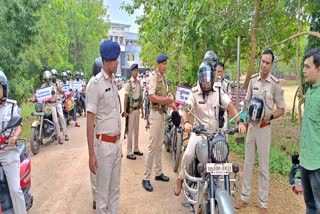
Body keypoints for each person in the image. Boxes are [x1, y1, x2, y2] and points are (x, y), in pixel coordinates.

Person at [173, 60, 246, 196]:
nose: (207, 84)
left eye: (209, 80)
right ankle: (180, 178)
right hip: (199, 132)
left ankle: (222, 189)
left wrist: (240, 121)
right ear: (200, 79)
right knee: (188, 154)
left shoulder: (218, 90)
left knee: (223, 159)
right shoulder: (194, 92)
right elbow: (185, 109)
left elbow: (230, 106)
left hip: (215, 134)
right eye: (204, 81)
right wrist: (187, 122)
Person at [235, 49, 285, 214]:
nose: (264, 65)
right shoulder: (253, 81)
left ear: (271, 65)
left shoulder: (275, 84)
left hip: (264, 130)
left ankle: (263, 203)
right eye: (262, 62)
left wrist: (269, 116)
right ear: (260, 62)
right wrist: (242, 118)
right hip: (252, 129)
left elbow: (281, 109)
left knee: (263, 167)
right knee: (248, 163)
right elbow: (247, 102)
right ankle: (244, 196)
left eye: (267, 63)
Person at [87, 40, 122, 214]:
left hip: (116, 144)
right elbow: (89, 121)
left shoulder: (113, 83)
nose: (117, 63)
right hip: (104, 146)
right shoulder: (95, 85)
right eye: (115, 60)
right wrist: (91, 154)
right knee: (102, 196)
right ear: (106, 61)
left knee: (115, 190)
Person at [142, 54, 175, 192]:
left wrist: (171, 103)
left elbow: (165, 95)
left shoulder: (164, 78)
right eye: (163, 64)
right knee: (152, 146)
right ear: (158, 64)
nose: (165, 66)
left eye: (166, 63)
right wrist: (165, 100)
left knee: (159, 146)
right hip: (155, 114)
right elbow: (151, 97)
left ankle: (158, 172)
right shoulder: (154, 76)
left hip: (162, 114)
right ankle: (145, 178)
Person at [0, 70, 27, 214]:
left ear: (4, 89)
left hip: (7, 151)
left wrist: (14, 137)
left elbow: (18, 125)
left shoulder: (11, 106)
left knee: (15, 189)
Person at [299, 47, 320, 213]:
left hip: (318, 165)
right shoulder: (310, 91)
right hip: (305, 161)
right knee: (310, 206)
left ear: (318, 68)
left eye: (307, 67)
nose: (303, 70)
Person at [87, 56, 103, 210]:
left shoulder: (97, 83)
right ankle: (95, 197)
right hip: (95, 127)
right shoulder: (93, 84)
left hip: (100, 128)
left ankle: (99, 196)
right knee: (94, 165)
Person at [123, 63, 144, 160]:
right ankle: (129, 151)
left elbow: (140, 98)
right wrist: (125, 111)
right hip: (130, 111)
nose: (136, 72)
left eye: (137, 70)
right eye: (134, 70)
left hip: (137, 110)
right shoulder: (129, 83)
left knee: (136, 131)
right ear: (131, 72)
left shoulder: (139, 83)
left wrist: (142, 111)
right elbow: (126, 97)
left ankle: (136, 148)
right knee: (130, 131)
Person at [51, 69, 69, 141]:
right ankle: (59, 136)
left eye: (54, 75)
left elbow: (62, 92)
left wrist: (57, 86)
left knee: (61, 117)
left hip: (58, 102)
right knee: (55, 120)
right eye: (52, 75)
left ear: (56, 76)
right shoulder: (49, 83)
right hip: (51, 103)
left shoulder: (59, 82)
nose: (53, 77)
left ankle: (66, 134)